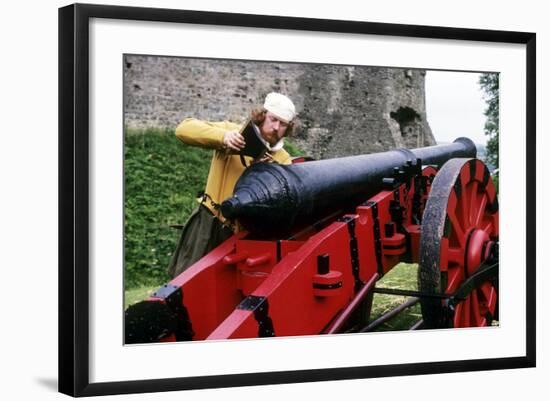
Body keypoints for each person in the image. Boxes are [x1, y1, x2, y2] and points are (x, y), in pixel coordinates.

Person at [167, 92, 297, 278]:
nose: (276, 127)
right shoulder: (233, 131)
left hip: (242, 236)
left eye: (283, 124)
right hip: (208, 223)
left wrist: (269, 176)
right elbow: (183, 130)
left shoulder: (282, 159)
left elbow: (283, 203)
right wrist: (224, 137)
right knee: (183, 282)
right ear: (262, 116)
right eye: (273, 119)